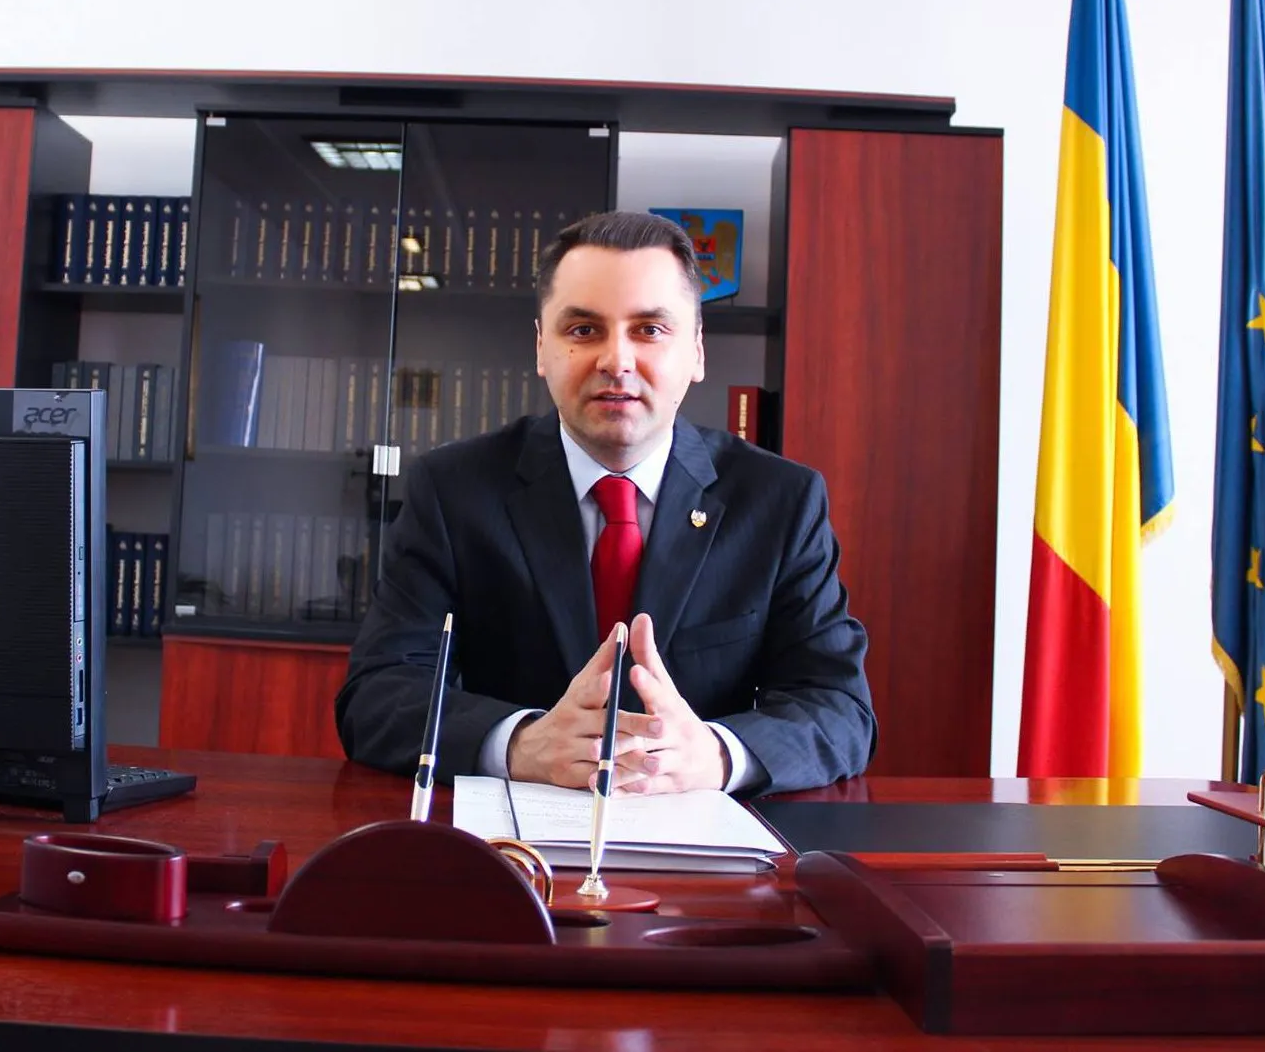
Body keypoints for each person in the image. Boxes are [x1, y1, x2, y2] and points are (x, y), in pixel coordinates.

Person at [336, 210, 875, 796]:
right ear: (542, 348)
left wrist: (717, 755)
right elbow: (378, 694)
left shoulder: (781, 502)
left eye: (650, 330)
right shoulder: (453, 490)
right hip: (512, 836)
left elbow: (838, 708)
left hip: (697, 832)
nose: (616, 361)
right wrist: (520, 744)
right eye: (583, 329)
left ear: (696, 352)